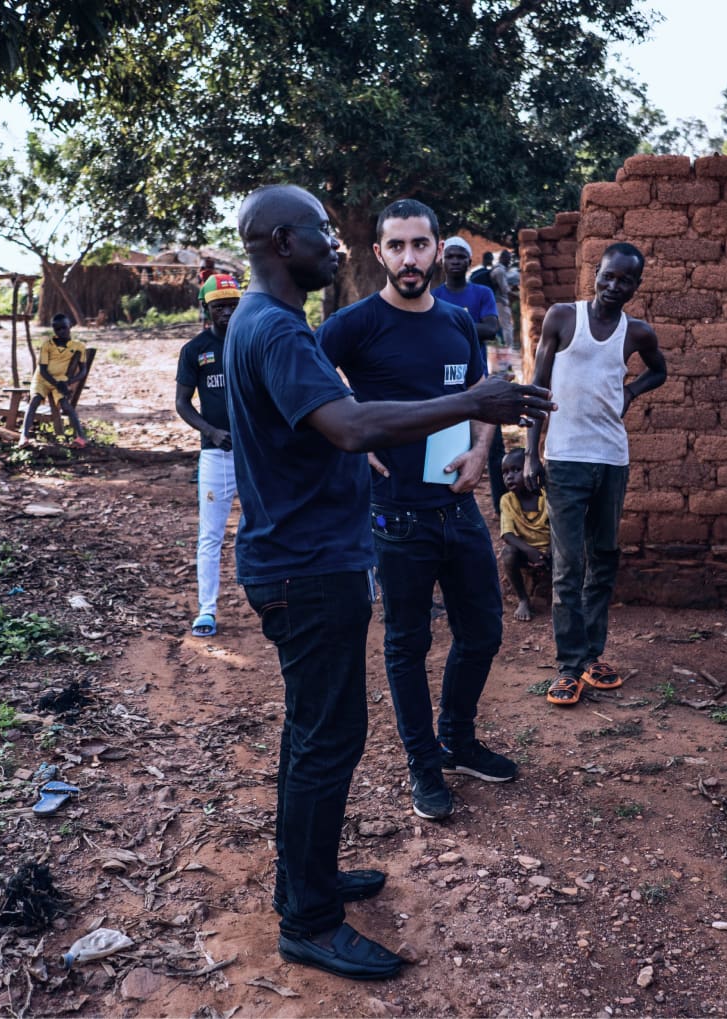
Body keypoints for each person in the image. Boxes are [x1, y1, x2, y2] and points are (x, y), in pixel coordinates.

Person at [222, 184, 552, 981]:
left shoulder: (267, 324)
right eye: (319, 231)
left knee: (317, 735)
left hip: (308, 560)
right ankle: (307, 918)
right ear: (275, 241)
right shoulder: (278, 331)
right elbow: (351, 426)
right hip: (307, 568)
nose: (332, 243)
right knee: (325, 741)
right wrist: (473, 400)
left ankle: (309, 878)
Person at [318, 198, 518, 824]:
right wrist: (351, 453)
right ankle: (423, 766)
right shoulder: (351, 325)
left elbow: (483, 402)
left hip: (457, 509)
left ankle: (457, 740)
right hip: (395, 516)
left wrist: (482, 452)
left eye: (420, 245)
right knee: (407, 645)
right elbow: (307, 393)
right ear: (378, 253)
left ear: (438, 249)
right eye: (397, 246)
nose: (410, 258)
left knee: (483, 630)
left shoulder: (459, 322)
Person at [524, 241, 667, 707]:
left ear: (635, 286)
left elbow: (658, 372)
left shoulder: (636, 332)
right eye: (608, 276)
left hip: (611, 459)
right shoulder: (563, 319)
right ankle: (568, 667)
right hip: (565, 458)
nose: (614, 285)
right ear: (596, 274)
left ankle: (591, 656)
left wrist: (631, 393)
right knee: (569, 566)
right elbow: (538, 389)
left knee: (603, 557)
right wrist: (531, 454)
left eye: (625, 280)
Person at [175, 272, 242, 637]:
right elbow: (182, 404)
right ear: (206, 308)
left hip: (254, 456)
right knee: (211, 534)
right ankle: (207, 609)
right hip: (216, 456)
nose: (227, 313)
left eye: (233, 306)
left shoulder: (250, 344)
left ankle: (269, 601)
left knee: (263, 526)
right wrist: (212, 432)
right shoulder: (195, 350)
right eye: (220, 307)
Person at [432, 237, 507, 517]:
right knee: (446, 447)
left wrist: (448, 325)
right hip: (443, 384)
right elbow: (429, 331)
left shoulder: (482, 293)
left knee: (492, 446)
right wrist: (467, 325)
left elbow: (491, 329)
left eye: (460, 257)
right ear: (442, 261)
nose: (454, 261)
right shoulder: (435, 295)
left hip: (478, 380)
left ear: (468, 261)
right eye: (450, 256)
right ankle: (448, 506)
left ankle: (501, 508)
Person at [19, 313, 89, 447]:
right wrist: (57, 384)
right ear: (54, 330)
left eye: (64, 328)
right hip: (42, 379)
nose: (61, 331)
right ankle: (24, 436)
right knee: (34, 401)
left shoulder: (78, 346)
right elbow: (43, 370)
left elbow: (83, 370)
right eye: (58, 329)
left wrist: (68, 382)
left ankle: (81, 437)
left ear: (70, 326)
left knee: (66, 406)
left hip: (61, 380)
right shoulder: (47, 345)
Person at [498, 448, 550, 621]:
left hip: (552, 551)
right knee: (508, 553)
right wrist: (530, 552)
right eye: (505, 473)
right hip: (526, 552)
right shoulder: (507, 500)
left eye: (515, 470)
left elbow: (559, 528)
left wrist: (548, 552)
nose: (509, 477)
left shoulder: (546, 495)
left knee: (571, 550)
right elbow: (507, 534)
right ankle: (523, 599)